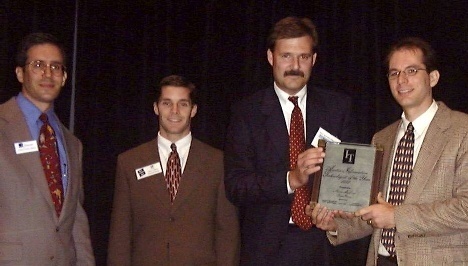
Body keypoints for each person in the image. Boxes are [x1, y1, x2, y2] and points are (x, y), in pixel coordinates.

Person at [310, 37, 468, 265]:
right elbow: (378, 212)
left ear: (433, 77)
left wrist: (396, 216)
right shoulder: (382, 138)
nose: (401, 80)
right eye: (394, 73)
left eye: (411, 70)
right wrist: (336, 225)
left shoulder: (461, 130)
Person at [224, 16, 368, 265]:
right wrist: (292, 179)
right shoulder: (246, 113)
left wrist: (335, 214)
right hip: (266, 249)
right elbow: (237, 186)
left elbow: (353, 177)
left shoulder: (338, 108)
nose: (295, 65)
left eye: (303, 57)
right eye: (286, 56)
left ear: (313, 59)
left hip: (326, 243)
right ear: (271, 57)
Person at [107, 75, 240, 265]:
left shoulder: (217, 163)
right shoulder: (130, 162)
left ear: (193, 110)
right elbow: (120, 233)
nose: (174, 111)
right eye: (167, 103)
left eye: (183, 104)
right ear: (156, 107)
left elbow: (228, 233)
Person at [0, 33, 95, 264]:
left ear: (64, 78)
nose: (48, 73)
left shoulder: (73, 144)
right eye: (38, 65)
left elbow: (76, 221)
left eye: (56, 67)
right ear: (20, 73)